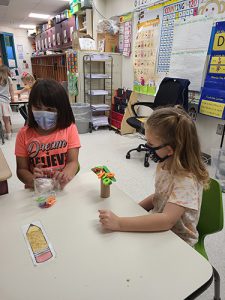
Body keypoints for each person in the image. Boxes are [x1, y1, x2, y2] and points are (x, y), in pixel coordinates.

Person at [99, 106, 209, 246]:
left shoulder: (186, 181)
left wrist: (120, 223)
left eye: (150, 143)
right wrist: (134, 209)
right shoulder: (165, 164)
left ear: (169, 150)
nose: (146, 147)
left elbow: (166, 220)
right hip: (159, 228)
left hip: (178, 241)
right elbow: (159, 196)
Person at [15, 79, 80, 189]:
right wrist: (33, 180)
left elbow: (73, 162)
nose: (44, 114)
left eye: (50, 109)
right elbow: (21, 170)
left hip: (62, 187)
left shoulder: (69, 129)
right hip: (37, 191)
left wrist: (65, 175)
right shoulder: (23, 134)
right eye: (38, 108)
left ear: (61, 110)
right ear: (30, 107)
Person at [0, 65, 15, 140]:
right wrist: (12, 98)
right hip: (5, 102)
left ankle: (1, 135)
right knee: (7, 120)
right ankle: (8, 135)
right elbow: (11, 90)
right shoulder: (9, 79)